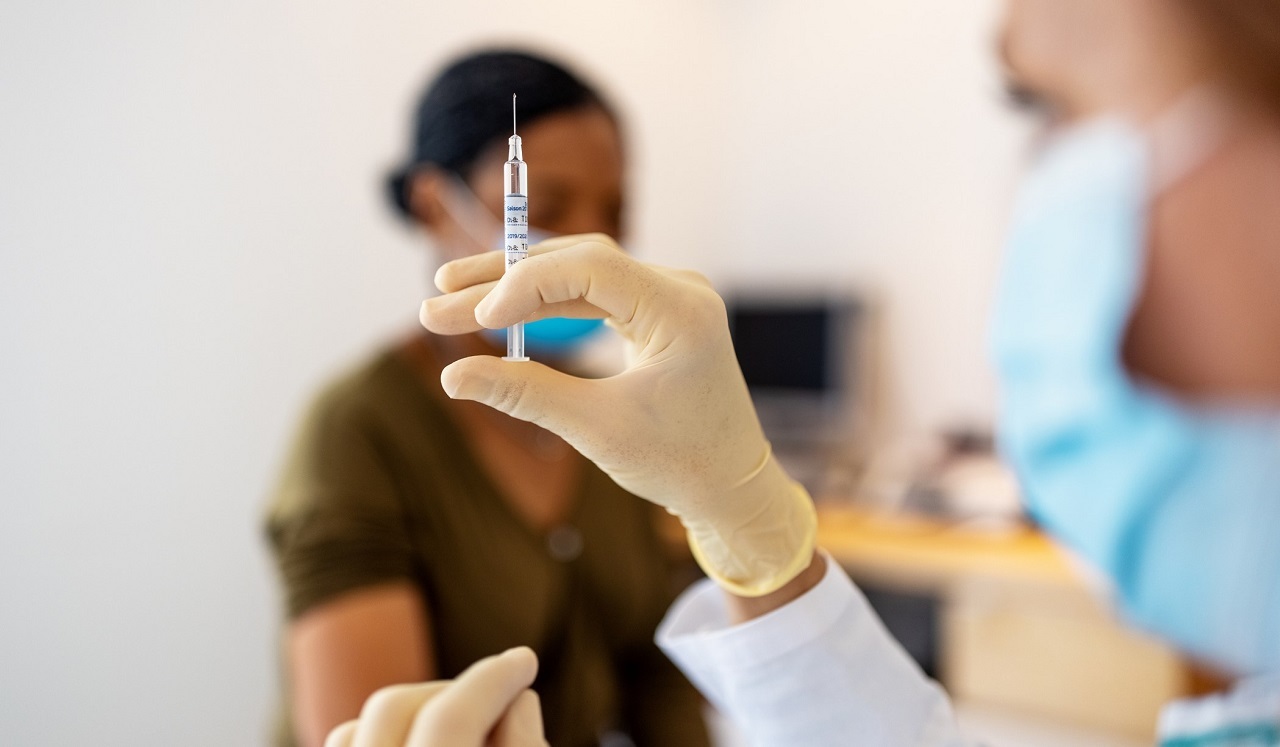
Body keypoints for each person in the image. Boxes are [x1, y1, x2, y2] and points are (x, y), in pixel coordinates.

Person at [334, 0, 1280, 744]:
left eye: (1045, 101)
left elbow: (658, 694)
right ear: (432, 203)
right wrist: (752, 533)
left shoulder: (603, 421)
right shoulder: (367, 430)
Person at [264, 50, 710, 747]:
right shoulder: (358, 430)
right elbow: (367, 726)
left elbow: (657, 671)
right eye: (549, 208)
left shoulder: (612, 410)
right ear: (434, 204)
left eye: (615, 210)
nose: (591, 243)